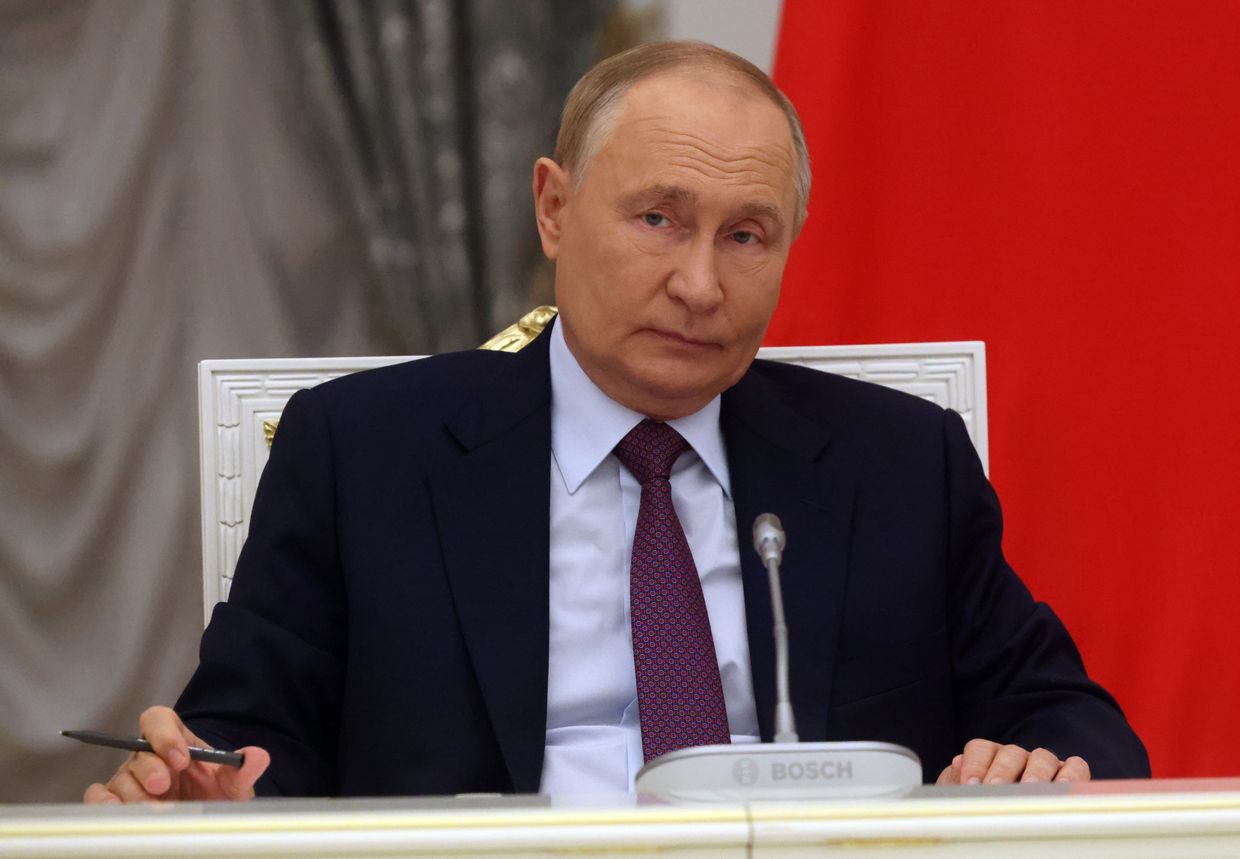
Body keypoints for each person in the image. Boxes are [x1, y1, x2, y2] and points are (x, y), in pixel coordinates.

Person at [85, 41, 1148, 804]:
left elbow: (1072, 720)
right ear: (554, 207)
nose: (698, 283)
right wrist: (207, 786)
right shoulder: (363, 452)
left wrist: (1036, 760)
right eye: (658, 219)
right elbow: (247, 741)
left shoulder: (897, 463)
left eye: (746, 235)